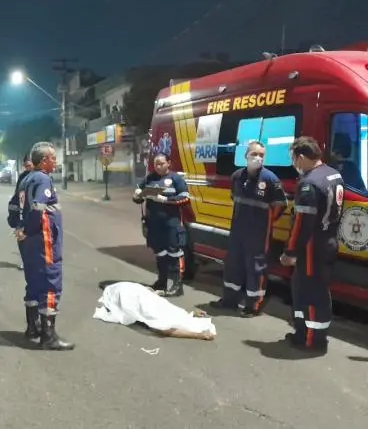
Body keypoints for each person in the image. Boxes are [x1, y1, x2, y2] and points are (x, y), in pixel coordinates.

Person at [209, 141, 287, 317]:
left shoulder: (270, 179)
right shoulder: (237, 176)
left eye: (261, 155)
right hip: (238, 230)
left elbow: (280, 205)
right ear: (246, 156)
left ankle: (253, 305)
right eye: (254, 154)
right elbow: (234, 198)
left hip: (258, 233)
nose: (257, 158)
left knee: (256, 268)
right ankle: (229, 300)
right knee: (233, 265)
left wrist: (266, 222)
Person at [280, 136, 344, 352]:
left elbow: (302, 224)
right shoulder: (333, 174)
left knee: (309, 292)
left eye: (293, 159)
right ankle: (305, 331)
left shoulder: (309, 183)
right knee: (316, 289)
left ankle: (311, 339)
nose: (294, 164)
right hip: (328, 241)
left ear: (301, 157)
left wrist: (290, 251)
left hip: (311, 247)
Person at [16, 141, 74, 350]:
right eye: (53, 158)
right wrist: (29, 229)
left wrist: (19, 228)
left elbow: (15, 207)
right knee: (50, 282)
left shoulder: (25, 179)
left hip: (30, 241)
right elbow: (39, 208)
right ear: (44, 161)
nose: (55, 162)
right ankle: (48, 337)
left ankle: (33, 328)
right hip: (44, 238)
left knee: (33, 281)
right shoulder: (42, 179)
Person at [132, 153, 191, 297]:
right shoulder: (150, 178)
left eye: (161, 164)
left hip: (171, 223)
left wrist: (165, 199)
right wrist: (137, 195)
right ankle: (162, 281)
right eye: (156, 164)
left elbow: (185, 198)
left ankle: (177, 286)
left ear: (169, 163)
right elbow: (139, 198)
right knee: (159, 252)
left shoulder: (176, 179)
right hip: (154, 223)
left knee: (174, 253)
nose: (158, 167)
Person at [8, 154, 34, 271]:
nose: (28, 168)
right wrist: (13, 214)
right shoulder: (22, 177)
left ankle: (35, 261)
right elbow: (18, 194)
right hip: (23, 212)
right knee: (21, 238)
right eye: (26, 165)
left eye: (30, 165)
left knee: (35, 240)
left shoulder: (41, 176)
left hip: (35, 212)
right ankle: (25, 261)